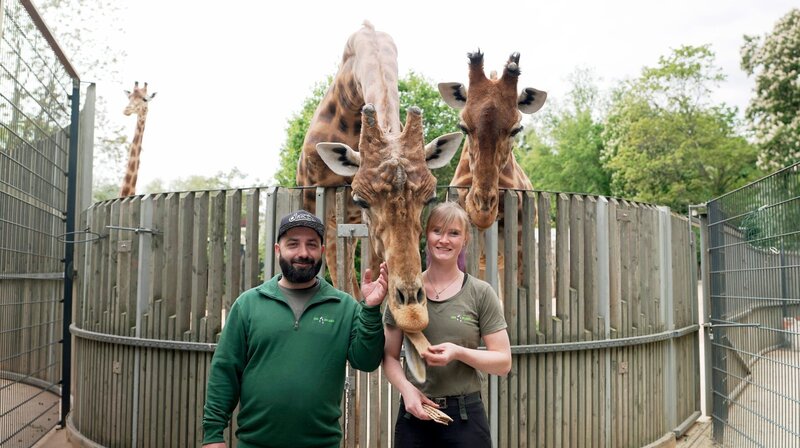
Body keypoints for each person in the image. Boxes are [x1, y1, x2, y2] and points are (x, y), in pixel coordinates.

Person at [202, 209, 388, 448]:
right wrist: (212, 435)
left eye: (311, 245)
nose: (303, 253)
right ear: (278, 250)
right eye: (293, 244)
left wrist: (371, 309)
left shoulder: (344, 307)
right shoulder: (248, 304)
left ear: (321, 251)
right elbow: (225, 371)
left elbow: (367, 361)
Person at [383, 201, 512, 447]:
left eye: (453, 233)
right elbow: (389, 356)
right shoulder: (403, 290)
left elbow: (503, 362)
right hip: (415, 414)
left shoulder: (480, 293)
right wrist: (407, 390)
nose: (444, 240)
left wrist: (458, 352)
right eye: (437, 231)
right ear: (426, 236)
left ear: (465, 240)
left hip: (465, 417)